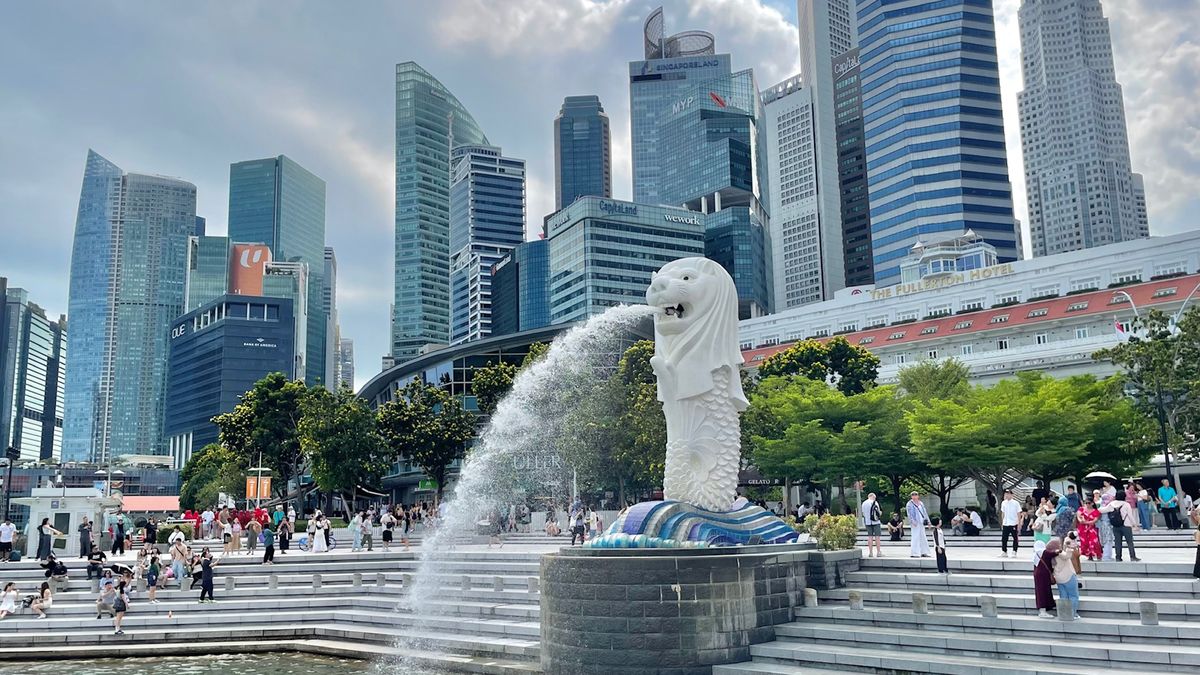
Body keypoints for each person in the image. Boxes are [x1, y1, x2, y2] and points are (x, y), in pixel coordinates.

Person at [1099, 495, 1140, 562]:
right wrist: (1135, 525)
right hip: (1126, 525)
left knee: (1117, 542)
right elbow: (1130, 515)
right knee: (1129, 542)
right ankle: (1132, 557)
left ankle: (1118, 557)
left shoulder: (1112, 504)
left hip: (1115, 526)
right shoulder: (1126, 504)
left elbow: (1102, 510)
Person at [1055, 532, 1082, 620]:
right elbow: (1067, 556)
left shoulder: (1050, 555)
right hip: (1069, 576)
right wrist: (1069, 548)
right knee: (1073, 595)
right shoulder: (1061, 554)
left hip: (1058, 578)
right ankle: (1073, 613)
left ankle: (1064, 614)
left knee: (1063, 596)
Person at [1034, 539, 1060, 618]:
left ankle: (1045, 607)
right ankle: (1043, 611)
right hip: (1043, 575)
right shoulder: (1043, 552)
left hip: (1038, 575)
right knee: (1043, 591)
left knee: (1041, 591)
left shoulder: (1035, 553)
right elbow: (1054, 553)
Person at [906, 492, 932, 558]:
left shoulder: (921, 503)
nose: (914, 496)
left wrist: (928, 521)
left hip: (921, 522)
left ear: (918, 496)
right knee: (915, 537)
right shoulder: (909, 504)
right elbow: (909, 514)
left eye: (916, 495)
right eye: (913, 495)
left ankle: (924, 552)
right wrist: (912, 521)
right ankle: (915, 552)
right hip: (915, 522)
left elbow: (924, 512)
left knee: (923, 537)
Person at [1000, 489, 1021, 558]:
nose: (1007, 495)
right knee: (1004, 538)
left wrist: (1019, 523)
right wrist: (1002, 522)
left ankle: (1014, 551)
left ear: (1012, 495)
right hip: (1006, 523)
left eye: (1009, 494)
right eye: (1006, 494)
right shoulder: (1003, 503)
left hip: (1013, 523)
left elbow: (1018, 513)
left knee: (1015, 538)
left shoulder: (1016, 503)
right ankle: (1004, 551)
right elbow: (1003, 513)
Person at [861, 493, 883, 558]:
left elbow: (863, 513)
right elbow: (878, 513)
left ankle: (870, 552)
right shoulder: (875, 502)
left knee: (870, 537)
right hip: (875, 522)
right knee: (877, 537)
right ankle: (878, 552)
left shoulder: (864, 503)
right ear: (873, 497)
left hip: (867, 522)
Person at [1097, 494, 1116, 561]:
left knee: (1107, 540)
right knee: (1108, 540)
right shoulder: (1107, 506)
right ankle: (1106, 556)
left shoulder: (1102, 505)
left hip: (1103, 524)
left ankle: (1108, 555)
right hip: (1106, 525)